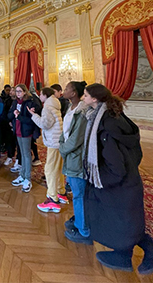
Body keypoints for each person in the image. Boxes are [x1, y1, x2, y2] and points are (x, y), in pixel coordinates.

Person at [81, 83, 153, 274]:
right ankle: (138, 252)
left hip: (117, 184)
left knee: (120, 220)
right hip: (129, 181)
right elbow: (135, 153)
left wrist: (100, 180)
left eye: (86, 95)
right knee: (129, 221)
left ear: (95, 99)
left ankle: (124, 257)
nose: (83, 98)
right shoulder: (116, 117)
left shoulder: (105, 126)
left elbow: (116, 167)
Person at [59, 81, 92, 244]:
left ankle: (84, 231)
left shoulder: (82, 112)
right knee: (77, 191)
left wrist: (63, 149)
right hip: (70, 156)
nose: (64, 91)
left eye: (67, 89)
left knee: (79, 194)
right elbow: (65, 132)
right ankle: (79, 221)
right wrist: (61, 143)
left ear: (73, 93)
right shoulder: (70, 109)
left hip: (76, 157)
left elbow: (76, 139)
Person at [30, 86, 65, 212]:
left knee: (50, 170)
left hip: (53, 142)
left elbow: (44, 124)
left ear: (45, 95)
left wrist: (33, 115)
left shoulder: (47, 107)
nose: (39, 97)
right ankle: (61, 191)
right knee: (58, 167)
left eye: (41, 94)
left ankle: (52, 199)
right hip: (58, 141)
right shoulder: (55, 104)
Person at [11, 84, 42, 193]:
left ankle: (27, 179)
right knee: (22, 155)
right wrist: (13, 115)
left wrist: (19, 116)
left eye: (20, 91)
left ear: (25, 92)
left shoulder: (29, 103)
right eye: (16, 91)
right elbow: (10, 114)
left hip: (26, 131)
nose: (17, 93)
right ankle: (22, 175)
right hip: (18, 131)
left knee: (26, 155)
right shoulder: (15, 102)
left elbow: (30, 120)